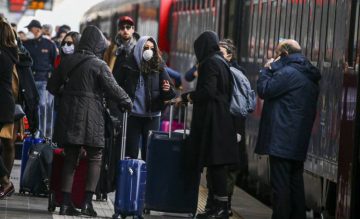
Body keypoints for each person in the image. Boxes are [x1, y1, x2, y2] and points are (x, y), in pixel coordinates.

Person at [47, 25, 132, 217]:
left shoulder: (68, 61)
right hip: (92, 117)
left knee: (71, 157)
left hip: (69, 115)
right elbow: (113, 88)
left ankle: (65, 203)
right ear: (98, 45)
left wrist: (69, 94)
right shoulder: (99, 64)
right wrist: (127, 101)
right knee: (95, 157)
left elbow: (52, 86)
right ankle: (87, 203)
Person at [255, 39, 321, 219]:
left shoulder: (288, 73)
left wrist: (266, 70)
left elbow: (264, 90)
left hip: (281, 139)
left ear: (284, 53)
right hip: (298, 139)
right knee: (295, 184)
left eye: (277, 54)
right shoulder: (308, 74)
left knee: (281, 186)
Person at [179, 31, 239, 219]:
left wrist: (188, 96)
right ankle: (215, 206)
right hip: (220, 118)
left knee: (217, 164)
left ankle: (220, 208)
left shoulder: (210, 63)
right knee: (215, 165)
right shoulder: (221, 62)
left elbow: (208, 91)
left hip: (214, 120)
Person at [200, 39, 248, 217]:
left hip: (230, 127)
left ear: (229, 55)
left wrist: (235, 130)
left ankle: (224, 206)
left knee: (224, 171)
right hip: (225, 126)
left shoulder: (233, 73)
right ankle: (214, 204)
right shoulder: (222, 68)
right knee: (215, 169)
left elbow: (235, 104)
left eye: (221, 52)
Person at [114, 36, 176, 160]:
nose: (149, 51)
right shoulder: (128, 65)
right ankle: (132, 177)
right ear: (139, 49)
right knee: (131, 152)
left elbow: (170, 92)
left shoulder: (158, 66)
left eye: (152, 48)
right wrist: (122, 105)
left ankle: (146, 179)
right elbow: (116, 86)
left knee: (149, 153)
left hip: (152, 116)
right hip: (133, 116)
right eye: (146, 48)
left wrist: (166, 90)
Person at [23, 19, 57, 137]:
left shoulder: (49, 45)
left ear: (37, 30)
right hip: (29, 80)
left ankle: (43, 134)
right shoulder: (26, 44)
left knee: (42, 106)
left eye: (30, 29)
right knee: (30, 106)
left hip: (43, 80)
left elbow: (55, 62)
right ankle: (33, 132)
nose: (28, 31)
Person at [0, 17, 17, 199]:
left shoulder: (3, 55)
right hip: (4, 103)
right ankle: (5, 181)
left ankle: (6, 182)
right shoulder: (9, 52)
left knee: (7, 144)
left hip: (2, 104)